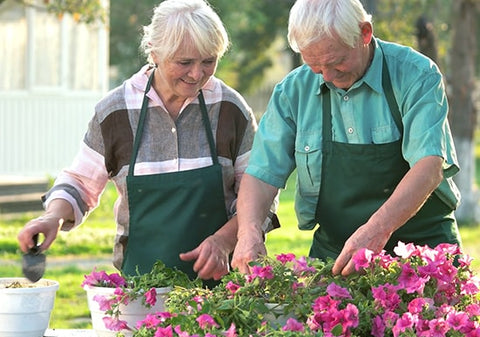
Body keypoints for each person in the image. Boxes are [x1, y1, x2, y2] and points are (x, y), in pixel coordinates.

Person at [18, 0, 277, 284]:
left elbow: (259, 194)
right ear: (154, 51)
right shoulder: (116, 110)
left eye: (208, 61)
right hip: (141, 292)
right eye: (185, 62)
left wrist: (224, 241)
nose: (197, 74)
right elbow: (80, 182)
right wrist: (52, 217)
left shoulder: (230, 109)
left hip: (221, 294)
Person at [231, 0, 462, 277]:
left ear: (364, 33)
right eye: (315, 66)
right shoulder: (293, 91)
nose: (327, 76)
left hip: (422, 253)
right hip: (337, 257)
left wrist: (378, 229)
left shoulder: (416, 75)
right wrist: (249, 231)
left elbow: (429, 166)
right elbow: (261, 174)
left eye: (337, 62)